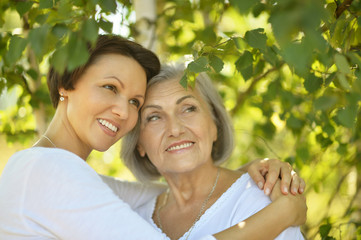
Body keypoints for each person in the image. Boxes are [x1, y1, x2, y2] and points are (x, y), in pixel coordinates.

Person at [0, 34, 304, 240]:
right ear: (66, 83)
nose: (122, 110)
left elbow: (182, 196)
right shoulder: (46, 171)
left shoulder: (58, 173)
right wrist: (283, 212)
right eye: (110, 87)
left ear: (216, 125)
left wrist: (248, 174)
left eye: (134, 101)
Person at [121, 64, 307, 239]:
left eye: (188, 109)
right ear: (139, 144)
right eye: (154, 117)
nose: (175, 129)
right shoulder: (132, 219)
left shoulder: (262, 200)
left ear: (214, 124)